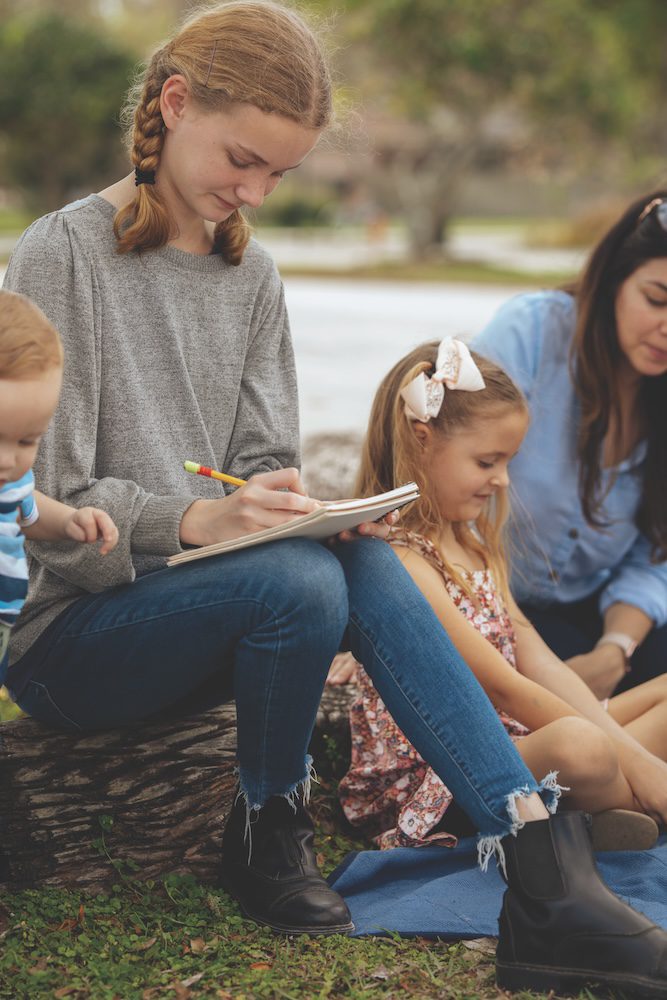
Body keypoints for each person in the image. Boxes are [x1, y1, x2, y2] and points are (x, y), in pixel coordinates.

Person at [5, 4, 667, 994]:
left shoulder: (253, 276)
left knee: (349, 556)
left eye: (281, 175)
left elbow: (261, 459)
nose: (256, 192)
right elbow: (39, 502)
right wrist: (199, 519)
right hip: (78, 638)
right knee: (301, 588)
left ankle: (536, 864)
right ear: (173, 105)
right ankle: (269, 826)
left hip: (221, 611)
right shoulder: (62, 255)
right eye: (242, 159)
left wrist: (286, 501)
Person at [338, 337, 667, 859]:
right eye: (488, 461)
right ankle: (622, 811)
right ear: (422, 439)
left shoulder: (476, 549)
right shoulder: (401, 564)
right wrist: (636, 763)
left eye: (508, 461)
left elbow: (543, 666)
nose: (503, 479)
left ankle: (606, 813)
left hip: (518, 740)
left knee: (645, 707)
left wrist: (630, 755)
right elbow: (505, 688)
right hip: (449, 768)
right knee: (581, 747)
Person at [472, 192, 667, 701]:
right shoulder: (534, 332)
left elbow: (656, 555)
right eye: (657, 299)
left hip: (597, 609)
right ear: (614, 279)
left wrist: (615, 650)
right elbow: (443, 475)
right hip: (482, 597)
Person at [0, 290, 118, 684]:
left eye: (26, 441)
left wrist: (69, 521)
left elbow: (28, 511)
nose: (8, 460)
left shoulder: (10, 481)